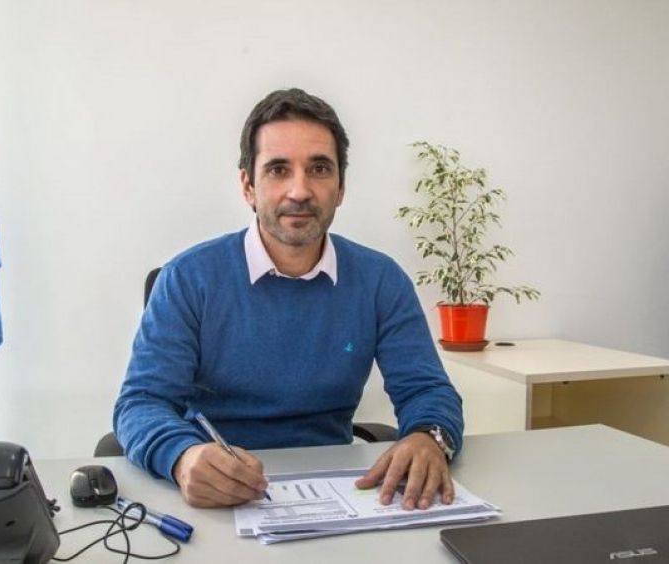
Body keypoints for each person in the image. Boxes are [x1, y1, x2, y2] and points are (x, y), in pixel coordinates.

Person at [114, 88, 463, 511]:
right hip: (214, 497)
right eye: (278, 169)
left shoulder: (380, 281)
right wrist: (181, 457)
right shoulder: (188, 279)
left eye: (319, 169)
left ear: (341, 187)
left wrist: (429, 436)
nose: (299, 190)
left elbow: (427, 389)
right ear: (248, 185)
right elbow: (141, 403)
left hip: (338, 493)